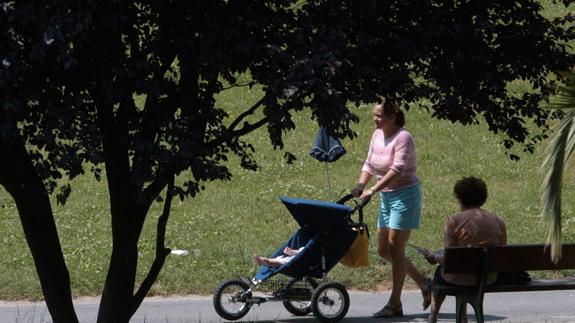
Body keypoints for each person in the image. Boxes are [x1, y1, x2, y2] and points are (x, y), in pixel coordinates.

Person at [352, 98, 430, 318]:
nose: (374, 120)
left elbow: (397, 169)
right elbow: (369, 163)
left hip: (405, 196)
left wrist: (373, 190)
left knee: (396, 247)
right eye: (374, 115)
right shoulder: (377, 135)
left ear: (392, 117)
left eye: (378, 116)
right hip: (387, 197)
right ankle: (424, 283)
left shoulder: (403, 137)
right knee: (384, 250)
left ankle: (395, 303)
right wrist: (361, 184)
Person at [424, 177, 507, 323]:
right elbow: (502, 254)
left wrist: (434, 257)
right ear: (483, 198)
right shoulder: (498, 221)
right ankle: (462, 317)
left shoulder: (454, 220)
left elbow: (451, 258)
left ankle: (433, 316)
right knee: (458, 269)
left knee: (441, 272)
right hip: (489, 278)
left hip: (460, 278)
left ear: (460, 198)